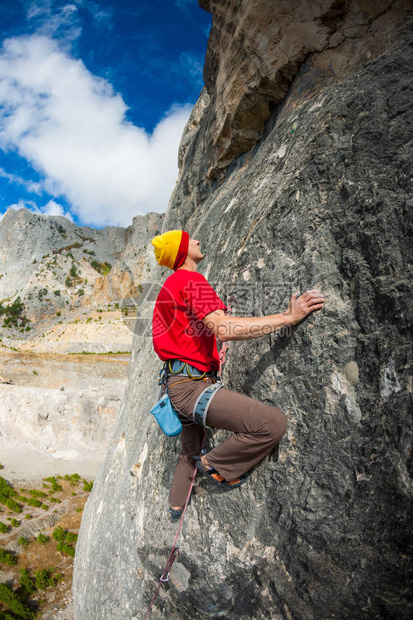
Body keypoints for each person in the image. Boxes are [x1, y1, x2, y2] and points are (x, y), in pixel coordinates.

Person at [151, 230, 325, 517]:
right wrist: (288, 317)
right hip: (192, 388)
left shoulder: (168, 287)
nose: (197, 239)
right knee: (271, 423)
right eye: (190, 238)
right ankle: (213, 465)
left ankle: (176, 507)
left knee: (188, 451)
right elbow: (223, 328)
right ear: (182, 249)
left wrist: (212, 355)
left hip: (177, 386)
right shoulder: (190, 279)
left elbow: (186, 336)